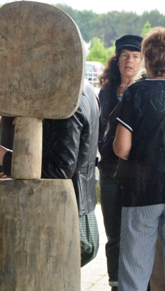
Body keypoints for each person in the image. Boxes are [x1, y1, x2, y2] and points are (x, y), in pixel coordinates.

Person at [0, 80, 100, 266]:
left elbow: (61, 169)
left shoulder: (66, 99)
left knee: (51, 270)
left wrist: (9, 160)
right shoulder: (80, 89)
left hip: (64, 208)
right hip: (75, 204)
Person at [113, 27, 165, 291]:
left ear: (146, 58)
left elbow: (122, 148)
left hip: (142, 192)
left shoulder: (136, 92)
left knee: (134, 272)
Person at [97, 34, 143, 291]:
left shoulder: (145, 90)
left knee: (137, 233)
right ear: (117, 60)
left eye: (135, 56)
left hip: (137, 172)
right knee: (114, 233)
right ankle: (115, 284)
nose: (130, 61)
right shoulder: (106, 92)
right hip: (109, 171)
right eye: (125, 55)